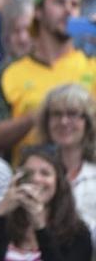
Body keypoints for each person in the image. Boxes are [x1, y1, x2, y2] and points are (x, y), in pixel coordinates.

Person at [0, 0, 96, 165]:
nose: (68, 9)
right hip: (31, 181)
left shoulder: (91, 65)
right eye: (59, 2)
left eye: (75, 4)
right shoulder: (10, 72)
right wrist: (41, 113)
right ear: (38, 12)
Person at [0, 145, 92, 260]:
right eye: (28, 173)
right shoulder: (3, 223)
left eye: (45, 173)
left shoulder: (77, 233)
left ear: (59, 183)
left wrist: (41, 228)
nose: (36, 179)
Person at [38, 84, 96, 245]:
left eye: (72, 114)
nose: (64, 121)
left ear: (88, 121)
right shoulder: (34, 171)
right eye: (56, 114)